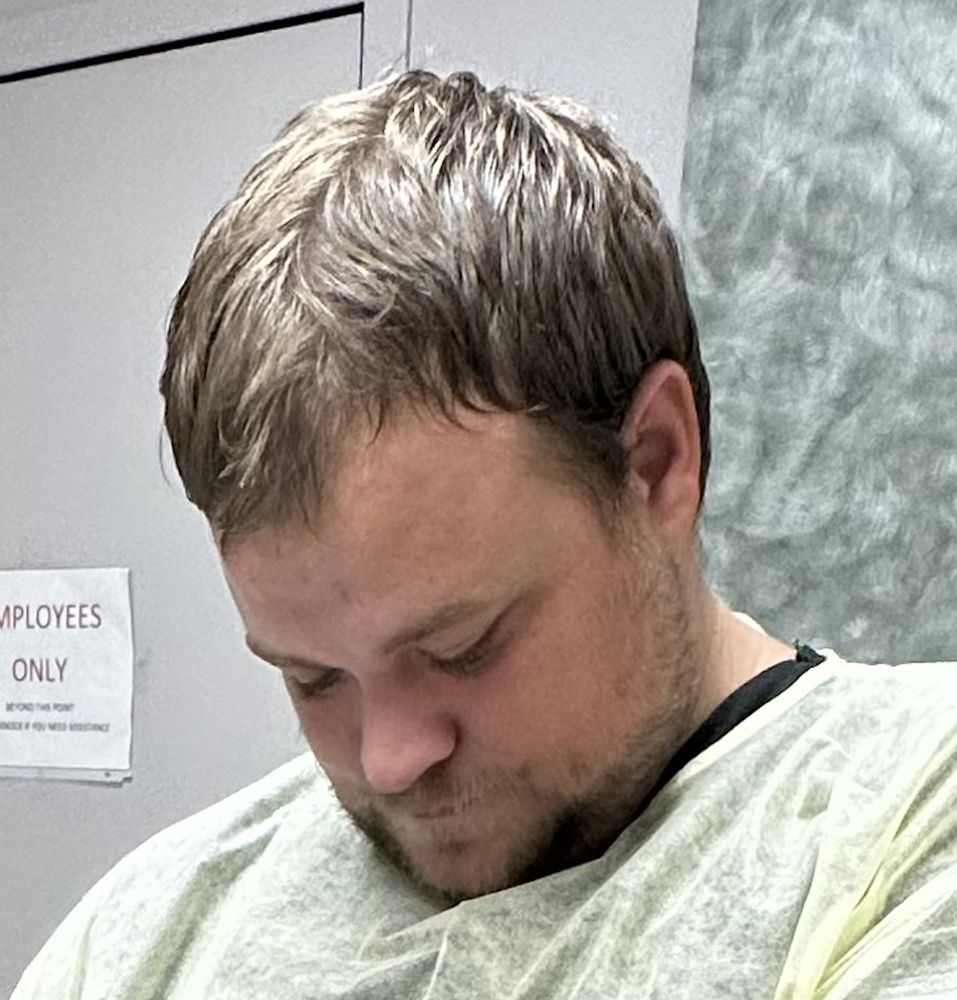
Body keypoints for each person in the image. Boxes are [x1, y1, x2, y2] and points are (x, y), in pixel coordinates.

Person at [13, 69, 957, 999]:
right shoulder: (146, 928)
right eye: (312, 678)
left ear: (656, 462)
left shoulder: (904, 828)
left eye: (462, 647)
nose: (387, 761)